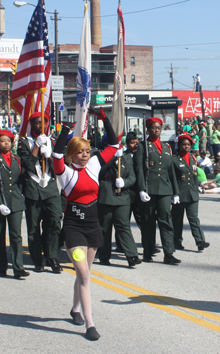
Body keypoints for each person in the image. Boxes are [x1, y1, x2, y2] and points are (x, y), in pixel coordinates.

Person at [52, 109, 118, 341]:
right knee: (83, 274)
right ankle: (90, 324)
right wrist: (65, 131)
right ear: (72, 154)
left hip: (92, 226)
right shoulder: (65, 173)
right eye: (80, 152)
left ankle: (75, 309)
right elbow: (56, 156)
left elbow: (114, 146)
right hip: (73, 229)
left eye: (87, 151)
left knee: (85, 275)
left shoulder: (95, 165)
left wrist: (105, 120)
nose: (85, 155)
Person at [18, 112, 63, 273]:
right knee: (33, 226)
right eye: (37, 123)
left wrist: (49, 155)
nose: (40, 126)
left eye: (43, 123)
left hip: (50, 187)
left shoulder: (51, 141)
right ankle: (37, 259)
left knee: (54, 221)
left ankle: (51, 256)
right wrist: (36, 147)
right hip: (33, 188)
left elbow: (58, 167)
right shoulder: (24, 143)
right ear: (32, 125)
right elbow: (28, 165)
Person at [133, 117, 181, 264]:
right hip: (149, 189)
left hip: (165, 189)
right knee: (148, 222)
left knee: (166, 221)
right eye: (153, 127)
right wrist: (141, 189)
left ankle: (169, 253)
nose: (157, 130)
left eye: (159, 128)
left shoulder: (167, 147)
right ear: (147, 130)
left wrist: (175, 192)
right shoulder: (142, 146)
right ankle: (148, 252)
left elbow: (170, 171)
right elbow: (139, 169)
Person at [0, 130, 29, 279]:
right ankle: (1, 266)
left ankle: (18, 267)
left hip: (15, 200)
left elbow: (20, 179)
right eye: (2, 141)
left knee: (16, 235)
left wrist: (19, 195)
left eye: (8, 141)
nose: (6, 143)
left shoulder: (16, 158)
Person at [97, 146, 142, 267]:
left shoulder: (126, 159)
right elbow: (99, 172)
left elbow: (132, 177)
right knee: (105, 228)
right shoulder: (100, 157)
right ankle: (104, 256)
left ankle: (132, 255)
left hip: (122, 197)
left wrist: (125, 182)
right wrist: (113, 158)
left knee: (123, 226)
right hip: (106, 196)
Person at [171, 134, 209, 251]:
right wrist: (174, 193)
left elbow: (194, 175)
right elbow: (172, 177)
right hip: (180, 194)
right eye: (183, 144)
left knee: (193, 218)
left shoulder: (193, 158)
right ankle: (176, 241)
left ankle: (200, 241)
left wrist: (198, 186)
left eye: (188, 144)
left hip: (192, 194)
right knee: (177, 220)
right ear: (179, 145)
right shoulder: (174, 159)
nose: (186, 146)